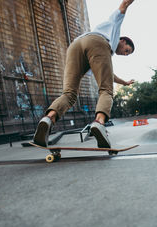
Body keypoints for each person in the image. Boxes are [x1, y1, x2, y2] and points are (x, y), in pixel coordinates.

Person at [33, 0, 135, 148]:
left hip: (75, 46)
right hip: (97, 43)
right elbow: (124, 5)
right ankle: (99, 123)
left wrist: (124, 82)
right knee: (106, 90)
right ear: (123, 41)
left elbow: (109, 75)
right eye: (126, 51)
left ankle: (48, 119)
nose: (124, 54)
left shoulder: (102, 37)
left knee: (69, 94)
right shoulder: (115, 28)